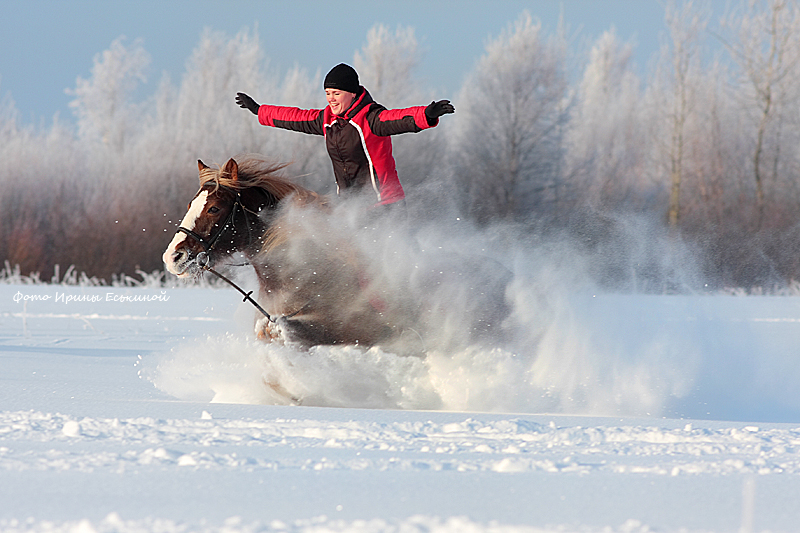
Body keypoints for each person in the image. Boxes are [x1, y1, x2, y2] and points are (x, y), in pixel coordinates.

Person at [235, 63, 454, 208]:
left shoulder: (371, 118)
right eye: (328, 93)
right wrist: (259, 110)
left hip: (384, 204)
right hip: (350, 205)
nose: (331, 99)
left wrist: (426, 114)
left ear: (352, 93)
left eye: (336, 93)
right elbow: (295, 117)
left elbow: (399, 118)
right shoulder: (327, 120)